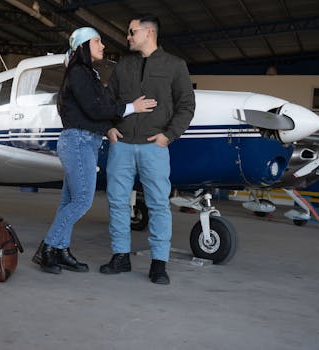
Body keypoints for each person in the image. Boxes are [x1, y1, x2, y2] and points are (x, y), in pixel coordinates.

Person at [32, 27, 157, 274]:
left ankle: (61, 250)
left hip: (84, 141)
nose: (103, 46)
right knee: (82, 201)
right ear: (83, 46)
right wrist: (133, 107)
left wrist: (110, 125)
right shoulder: (79, 73)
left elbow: (102, 107)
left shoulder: (88, 74)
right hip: (78, 142)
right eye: (97, 41)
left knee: (69, 201)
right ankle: (47, 248)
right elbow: (95, 109)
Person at [99, 15, 196, 284]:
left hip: (155, 147)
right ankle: (120, 256)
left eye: (132, 32)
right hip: (122, 146)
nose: (128, 36)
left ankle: (158, 263)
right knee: (117, 203)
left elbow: (187, 105)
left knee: (158, 205)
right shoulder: (122, 67)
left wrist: (169, 135)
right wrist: (109, 127)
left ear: (149, 32)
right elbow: (109, 101)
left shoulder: (175, 66)